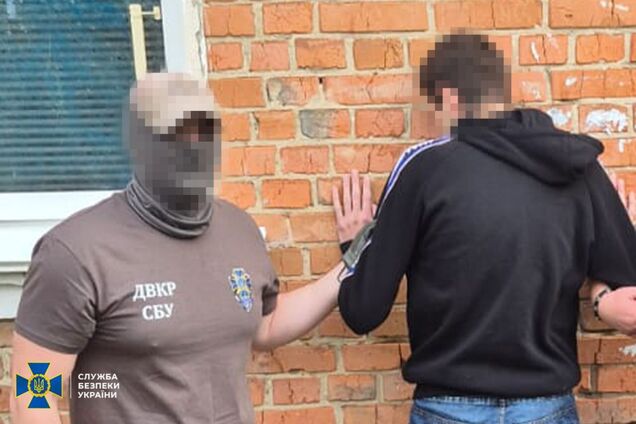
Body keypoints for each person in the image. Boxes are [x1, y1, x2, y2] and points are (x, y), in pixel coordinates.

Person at [10, 72, 350, 424]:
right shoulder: (76, 252)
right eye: (174, 135)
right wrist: (109, 388)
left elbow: (265, 324)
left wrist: (351, 267)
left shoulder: (240, 231)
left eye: (204, 133)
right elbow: (34, 395)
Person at [332, 33, 636, 424]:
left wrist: (355, 243)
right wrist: (600, 292)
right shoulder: (577, 165)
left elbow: (362, 311)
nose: (433, 128)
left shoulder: (423, 168)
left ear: (450, 98)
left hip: (447, 408)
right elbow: (628, 280)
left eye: (430, 112)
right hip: (545, 407)